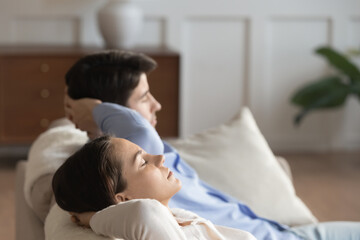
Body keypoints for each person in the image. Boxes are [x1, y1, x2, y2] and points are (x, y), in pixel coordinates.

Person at [63, 51, 359, 240]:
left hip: (284, 232)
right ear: (119, 113)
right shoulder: (133, 146)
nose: (156, 104)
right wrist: (95, 110)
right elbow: (137, 128)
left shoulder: (129, 163)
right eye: (143, 98)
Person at [52, 135, 257, 240]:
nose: (160, 158)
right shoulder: (155, 229)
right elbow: (144, 213)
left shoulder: (179, 218)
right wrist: (92, 218)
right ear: (121, 200)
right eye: (142, 162)